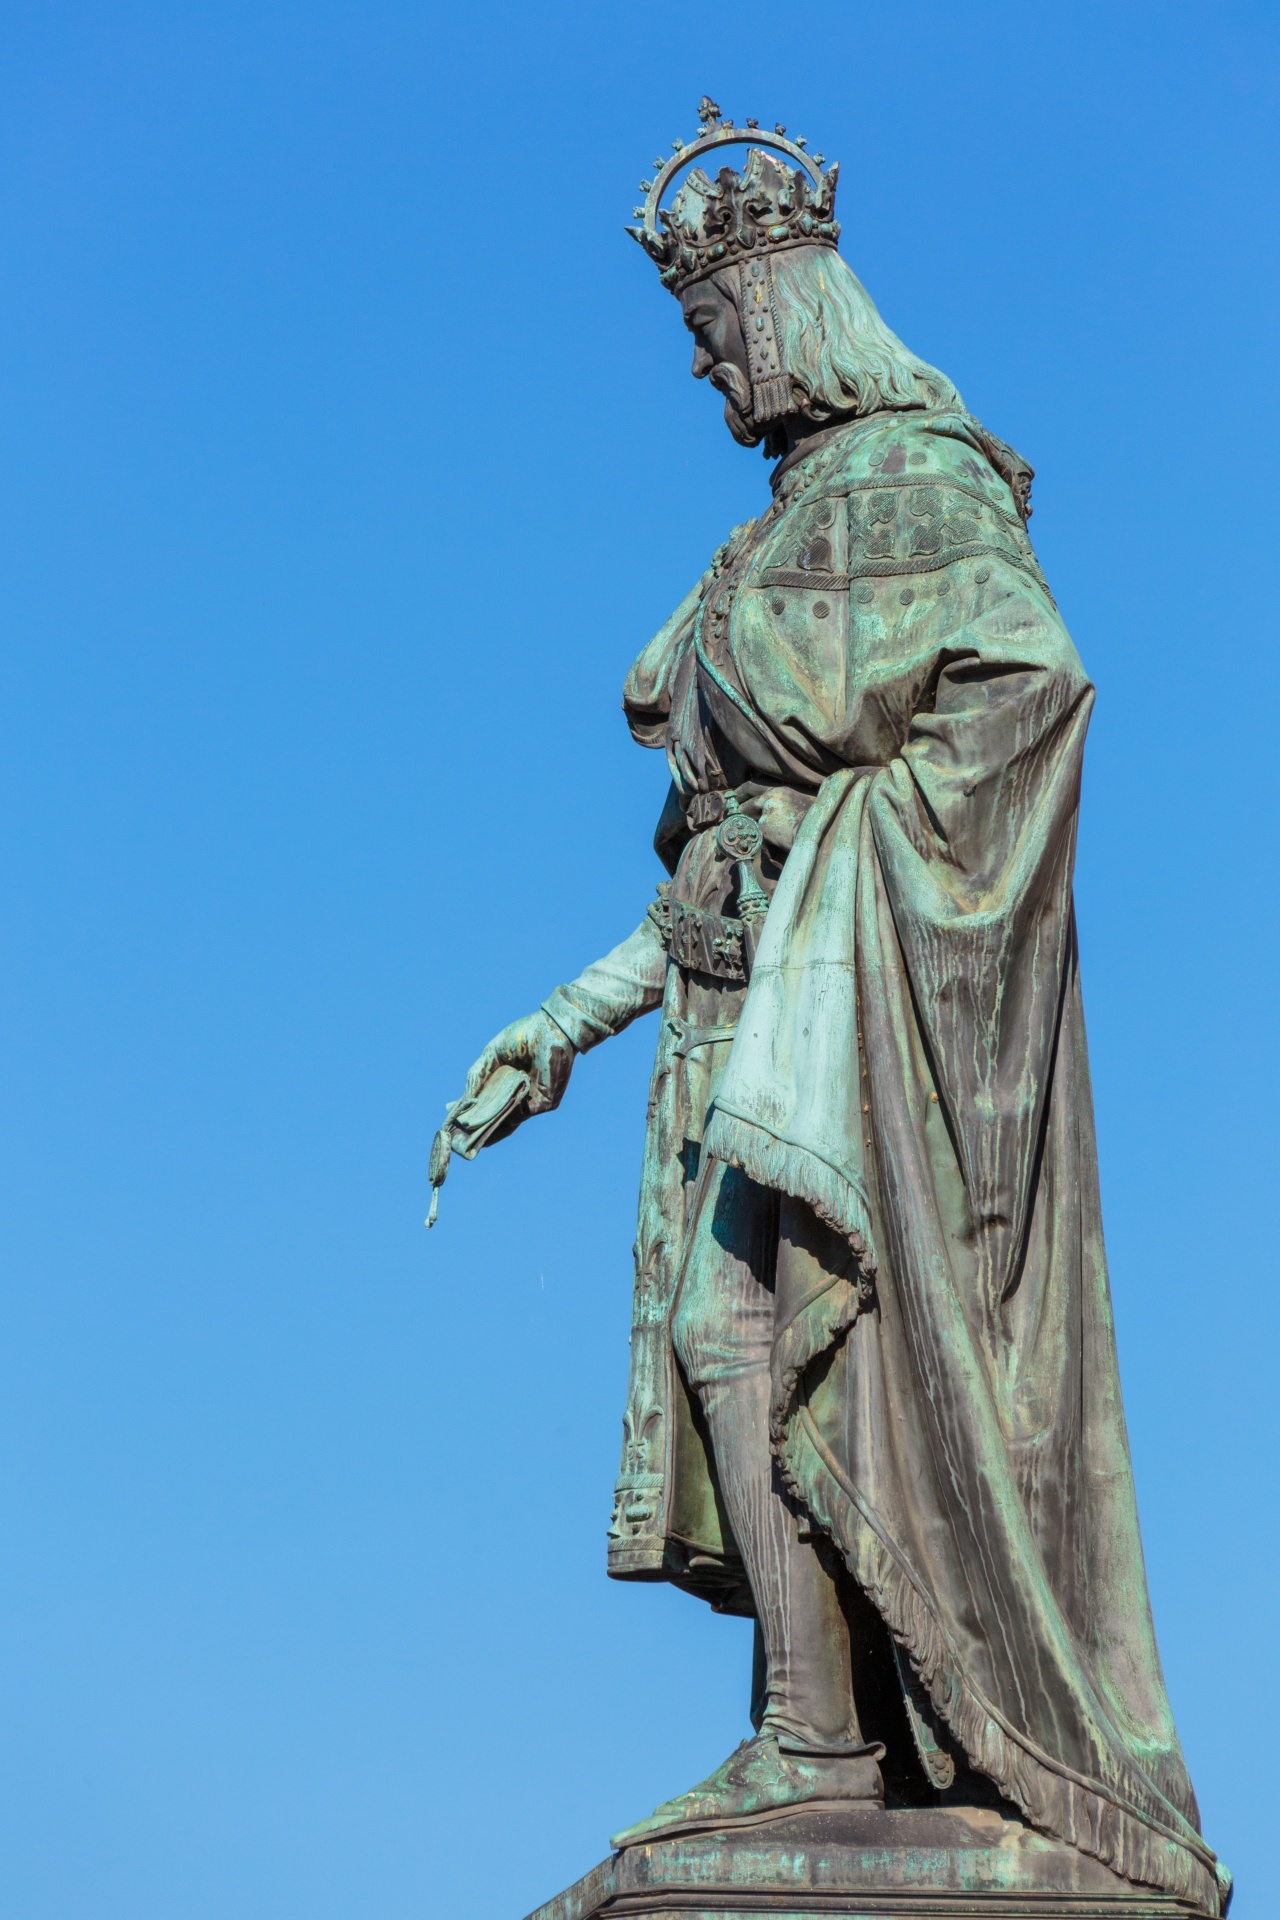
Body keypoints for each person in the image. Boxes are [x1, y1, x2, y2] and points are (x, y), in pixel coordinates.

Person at [443, 104, 1226, 1915]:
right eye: (696, 343)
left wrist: (853, 859)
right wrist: (559, 1027)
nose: (711, 372)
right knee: (730, 1334)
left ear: (791, 308)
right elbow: (703, 866)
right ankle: (812, 1732)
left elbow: (1030, 697)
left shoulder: (926, 484)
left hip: (878, 1020)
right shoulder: (767, 535)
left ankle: (844, 1737)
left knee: (785, 1332)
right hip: (747, 1015)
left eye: (721, 334)